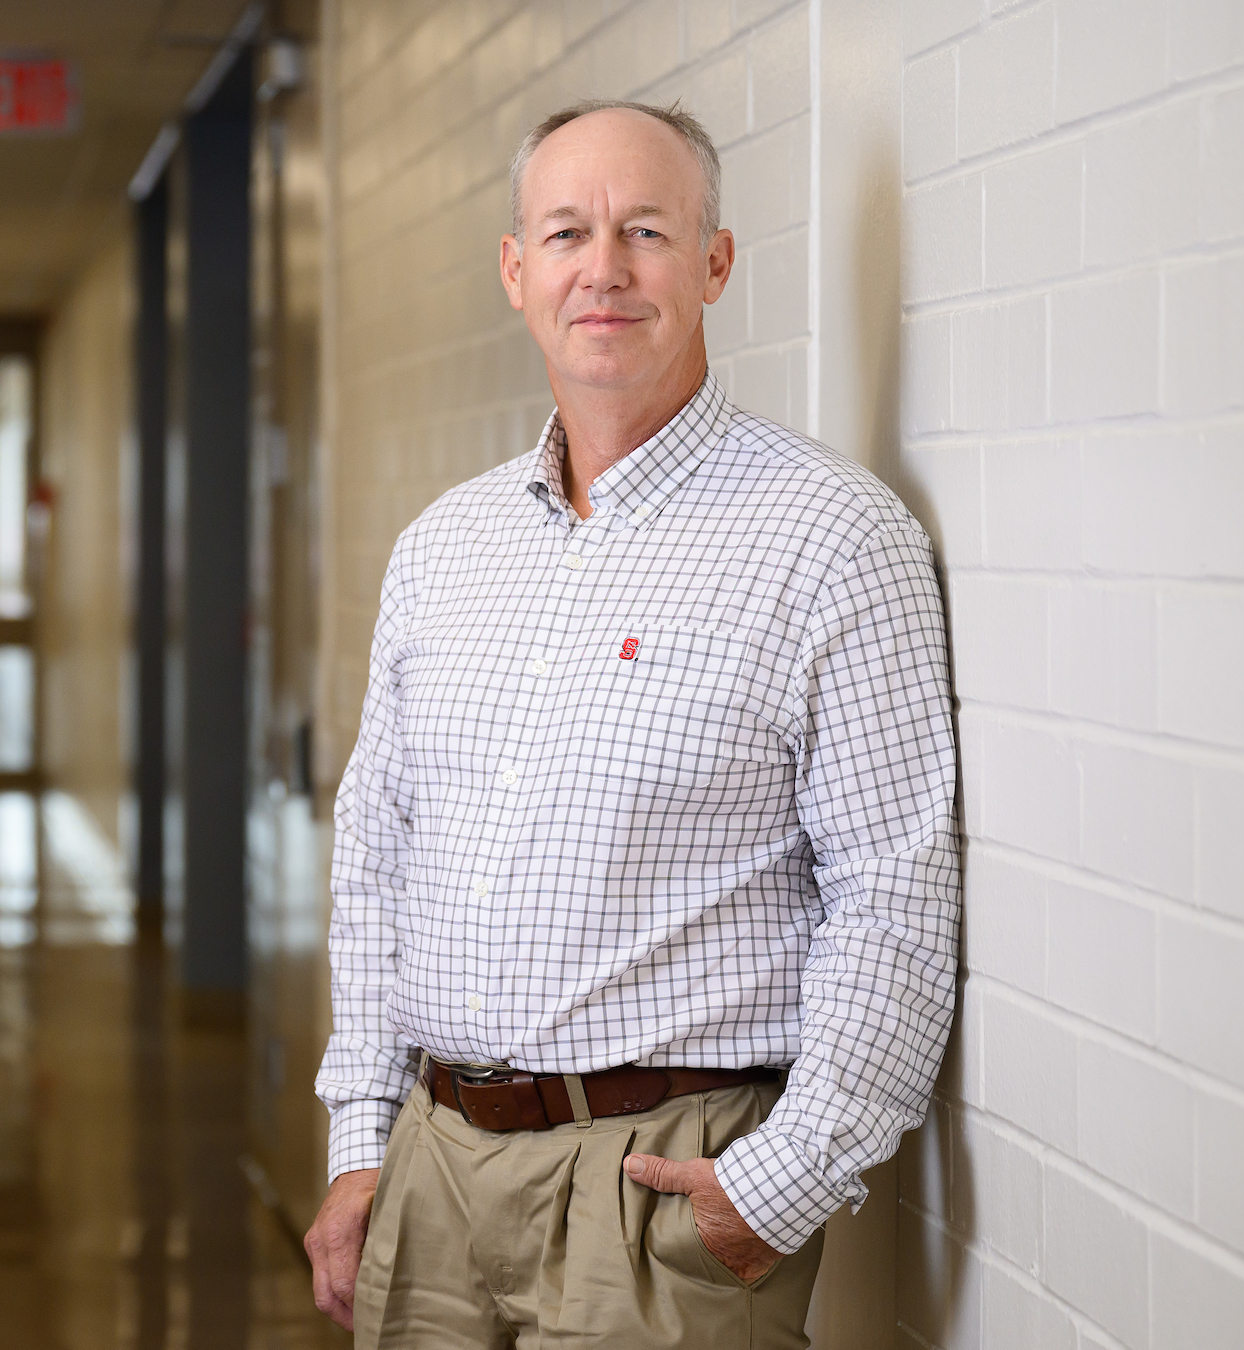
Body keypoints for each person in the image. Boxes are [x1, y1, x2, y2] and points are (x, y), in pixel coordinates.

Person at [303, 100, 961, 1348]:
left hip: (661, 1191)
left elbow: (894, 894)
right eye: (565, 233)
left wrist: (782, 1186)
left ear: (714, 263)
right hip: (431, 1167)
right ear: (515, 271)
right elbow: (376, 866)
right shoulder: (445, 548)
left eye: (646, 231)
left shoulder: (831, 537)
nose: (602, 268)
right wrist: (358, 1140)